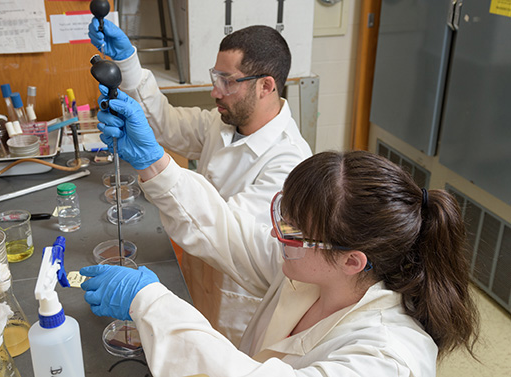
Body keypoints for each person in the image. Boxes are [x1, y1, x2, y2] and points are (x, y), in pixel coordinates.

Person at [80, 96, 479, 376]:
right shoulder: (315, 274)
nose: (274, 231)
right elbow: (227, 233)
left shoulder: (388, 357)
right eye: (281, 213)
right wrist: (154, 163)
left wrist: (153, 306)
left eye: (290, 230)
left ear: (352, 259)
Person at [88, 19, 312, 344]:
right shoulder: (221, 124)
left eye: (227, 81)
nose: (215, 91)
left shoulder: (289, 164)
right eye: (215, 76)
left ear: (266, 86)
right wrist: (128, 63)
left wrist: (154, 163)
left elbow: (222, 232)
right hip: (197, 282)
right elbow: (164, 123)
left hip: (236, 312)